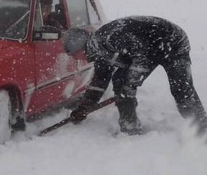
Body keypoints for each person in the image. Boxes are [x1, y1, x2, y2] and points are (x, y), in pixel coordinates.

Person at [65, 16, 207, 135]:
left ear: (79, 47)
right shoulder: (99, 52)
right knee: (120, 82)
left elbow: (142, 58)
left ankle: (201, 128)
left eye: (73, 54)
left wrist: (131, 84)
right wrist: (84, 107)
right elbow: (99, 81)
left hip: (172, 41)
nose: (75, 59)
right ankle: (129, 126)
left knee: (181, 89)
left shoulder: (109, 38)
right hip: (148, 46)